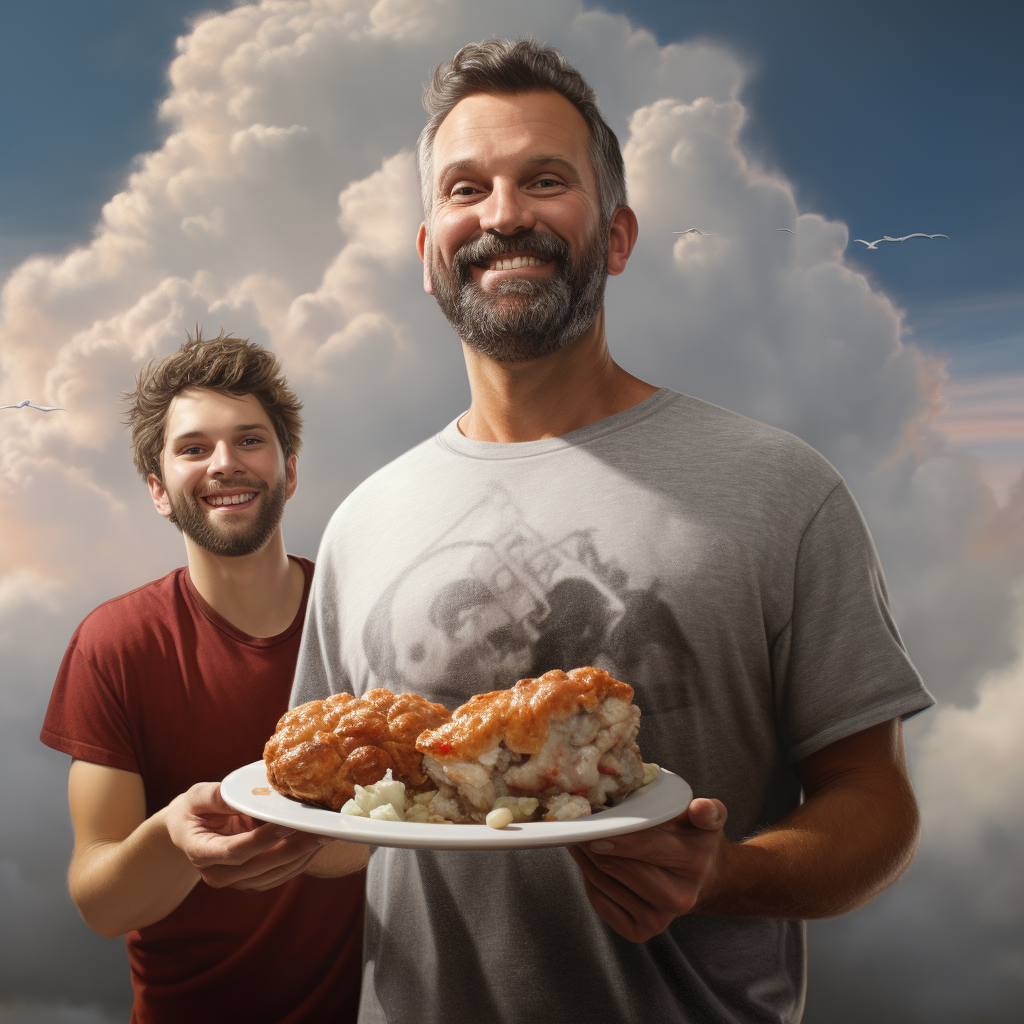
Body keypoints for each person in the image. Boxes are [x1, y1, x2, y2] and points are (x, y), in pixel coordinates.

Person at [293, 40, 935, 1024]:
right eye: (467, 188)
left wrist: (725, 874)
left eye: (544, 180)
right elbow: (345, 817)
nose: (502, 213)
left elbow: (875, 807)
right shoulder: (361, 520)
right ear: (427, 252)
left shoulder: (779, 486)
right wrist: (261, 843)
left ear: (619, 234)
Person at [40, 332, 370, 1024]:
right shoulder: (114, 645)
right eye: (194, 448)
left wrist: (325, 838)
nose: (225, 463)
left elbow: (422, 827)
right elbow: (100, 901)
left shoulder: (364, 618)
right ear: (159, 492)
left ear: (290, 469)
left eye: (250, 440)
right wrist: (172, 838)